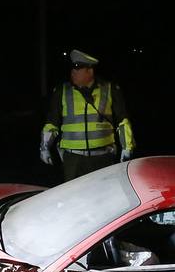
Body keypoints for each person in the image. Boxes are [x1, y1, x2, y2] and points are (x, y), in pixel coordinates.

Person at [40, 49, 136, 181]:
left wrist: (127, 148)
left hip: (103, 158)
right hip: (73, 159)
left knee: (103, 196)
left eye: (78, 68)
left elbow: (123, 121)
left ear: (90, 71)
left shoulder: (110, 89)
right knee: (74, 197)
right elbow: (52, 123)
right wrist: (44, 147)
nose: (73, 72)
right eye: (72, 68)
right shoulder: (62, 91)